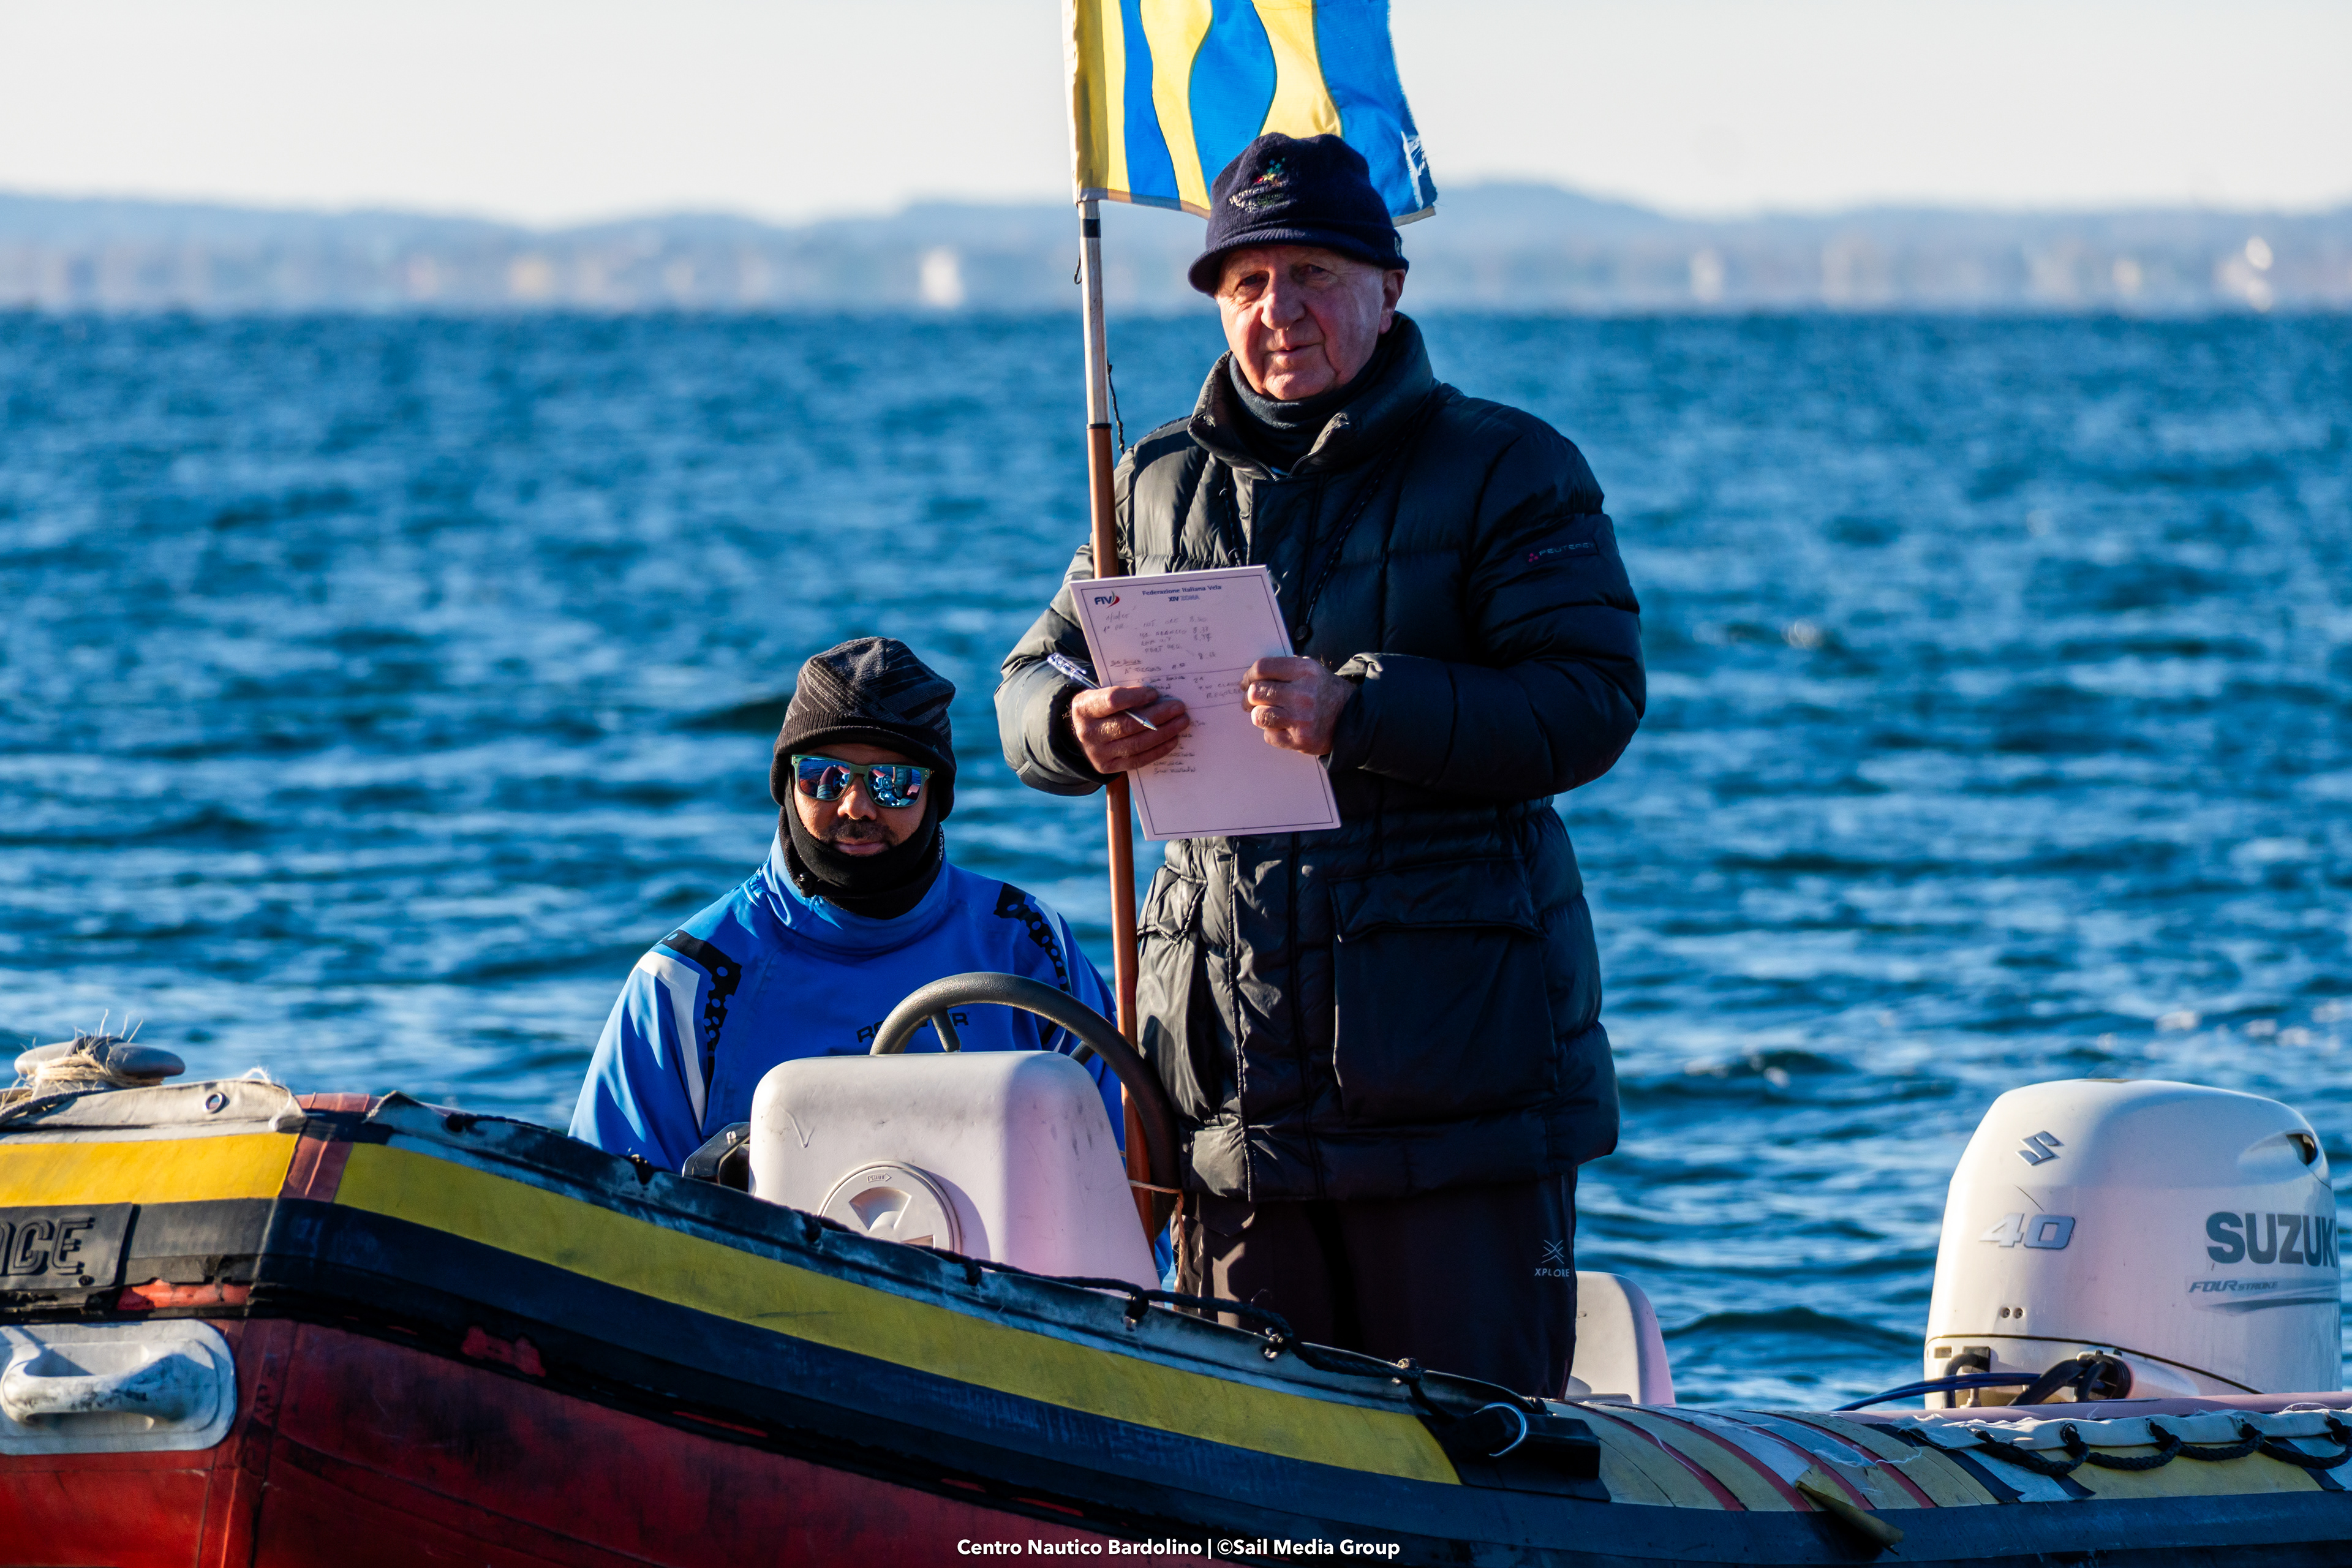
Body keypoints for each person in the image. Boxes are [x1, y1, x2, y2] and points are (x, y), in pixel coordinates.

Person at [996, 134, 1644, 1395]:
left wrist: (1363, 710)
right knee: (1246, 1457)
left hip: (1456, 1100)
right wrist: (1073, 727)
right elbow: (1031, 678)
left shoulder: (1509, 466)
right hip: (1232, 1113)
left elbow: (1590, 702)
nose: (1278, 309)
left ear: (1388, 288)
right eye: (1246, 282)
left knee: (1473, 1455)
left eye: (1312, 275)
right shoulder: (1152, 482)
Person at [573, 637, 1123, 1172]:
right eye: (824, 778)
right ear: (787, 787)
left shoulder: (1028, 940)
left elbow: (1128, 1168)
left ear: (937, 796)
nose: (856, 806)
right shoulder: (687, 983)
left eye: (895, 782)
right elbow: (610, 1209)